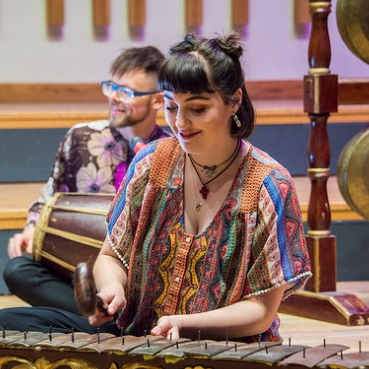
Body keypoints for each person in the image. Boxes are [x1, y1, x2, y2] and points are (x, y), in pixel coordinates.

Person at [0, 34, 311, 341]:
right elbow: (111, 257)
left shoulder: (268, 185)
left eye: (197, 108)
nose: (181, 123)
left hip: (224, 348)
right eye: (171, 107)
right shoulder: (152, 162)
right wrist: (112, 289)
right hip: (136, 335)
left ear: (234, 101)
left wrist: (184, 323)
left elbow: (260, 312)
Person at [3, 46, 169, 315]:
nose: (114, 98)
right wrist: (32, 228)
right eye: (111, 87)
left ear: (158, 101)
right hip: (77, 268)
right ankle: (103, 316)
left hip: (135, 278)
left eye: (126, 92)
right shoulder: (80, 138)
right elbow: (50, 196)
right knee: (18, 271)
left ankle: (103, 315)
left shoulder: (169, 150)